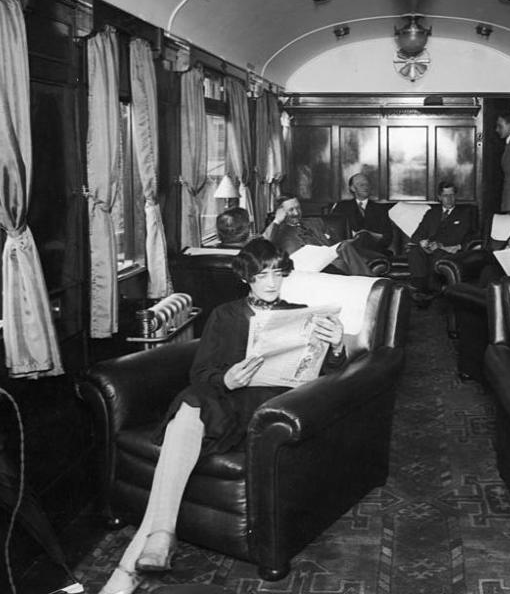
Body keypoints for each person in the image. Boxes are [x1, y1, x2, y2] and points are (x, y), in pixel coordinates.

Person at [98, 239, 347, 594]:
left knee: (191, 408)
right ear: (247, 278)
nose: (272, 283)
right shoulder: (225, 315)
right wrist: (226, 378)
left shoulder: (302, 314)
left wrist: (337, 346)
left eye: (278, 274)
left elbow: (327, 377)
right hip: (223, 403)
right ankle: (159, 537)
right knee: (193, 401)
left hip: (267, 412)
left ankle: (135, 560)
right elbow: (201, 374)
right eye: (262, 276)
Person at [263, 193, 373, 276]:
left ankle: (369, 283)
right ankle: (371, 283)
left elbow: (336, 242)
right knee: (344, 250)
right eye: (291, 210)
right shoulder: (277, 230)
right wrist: (277, 220)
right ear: (280, 212)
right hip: (304, 270)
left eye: (298, 208)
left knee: (345, 247)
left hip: (330, 263)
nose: (296, 213)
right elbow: (263, 244)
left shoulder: (315, 222)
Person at [407, 180, 475, 304]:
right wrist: (422, 241)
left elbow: (471, 236)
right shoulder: (432, 213)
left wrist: (448, 246)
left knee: (438, 255)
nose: (449, 199)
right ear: (439, 197)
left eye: (452, 195)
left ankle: (426, 291)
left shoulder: (465, 213)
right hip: (429, 248)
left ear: (456, 196)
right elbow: (416, 235)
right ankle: (420, 289)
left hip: (449, 250)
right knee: (414, 252)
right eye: (445, 195)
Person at [330, 172, 394, 258]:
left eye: (367, 184)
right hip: (349, 249)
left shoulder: (379, 209)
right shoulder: (342, 207)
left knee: (364, 237)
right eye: (361, 184)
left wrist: (370, 235)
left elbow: (387, 237)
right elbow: (335, 233)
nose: (365, 187)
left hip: (374, 249)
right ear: (353, 188)